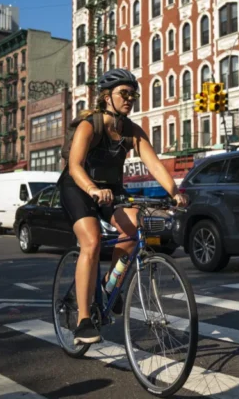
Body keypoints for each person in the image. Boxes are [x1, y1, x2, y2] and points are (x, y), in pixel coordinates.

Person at [58, 68, 189, 345]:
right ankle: (83, 320)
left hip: (112, 189)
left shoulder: (131, 131)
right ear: (107, 97)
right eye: (124, 93)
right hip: (78, 186)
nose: (130, 99)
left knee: (133, 227)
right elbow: (75, 166)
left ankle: (110, 284)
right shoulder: (89, 126)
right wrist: (93, 189)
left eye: (133, 95)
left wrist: (174, 192)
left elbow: (154, 164)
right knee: (92, 241)